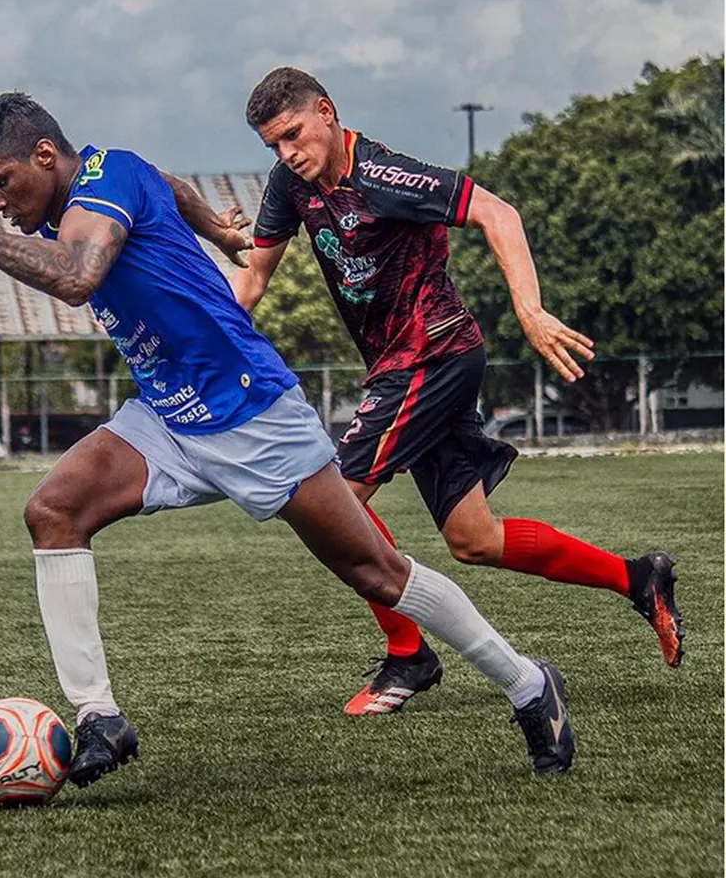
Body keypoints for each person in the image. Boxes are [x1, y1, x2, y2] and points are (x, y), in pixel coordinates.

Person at [0, 92, 575, 783]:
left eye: (1, 183)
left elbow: (77, 278)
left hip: (252, 415)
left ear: (46, 156)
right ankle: (99, 718)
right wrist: (222, 232)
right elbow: (170, 186)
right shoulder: (117, 171)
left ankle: (526, 684)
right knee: (53, 511)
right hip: (167, 417)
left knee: (377, 575)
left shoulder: (102, 184)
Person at [177, 66, 682, 718]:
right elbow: (250, 283)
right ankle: (638, 578)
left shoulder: (384, 175)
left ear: (326, 112)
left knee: (333, 498)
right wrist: (193, 346)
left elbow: (498, 212)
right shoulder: (289, 186)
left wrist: (529, 311)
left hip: (434, 355)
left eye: (294, 135)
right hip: (403, 367)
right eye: (273, 145)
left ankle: (409, 655)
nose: (286, 154)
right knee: (476, 540)